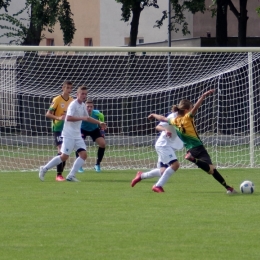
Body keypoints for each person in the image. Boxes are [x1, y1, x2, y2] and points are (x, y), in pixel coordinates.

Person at [148, 89, 237, 194]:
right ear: (186, 110)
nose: (191, 109)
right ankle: (227, 187)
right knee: (212, 170)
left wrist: (153, 115)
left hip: (191, 149)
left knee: (211, 170)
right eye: (190, 108)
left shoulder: (174, 120)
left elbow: (162, 118)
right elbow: (196, 108)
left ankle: (228, 188)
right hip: (198, 147)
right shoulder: (187, 118)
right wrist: (203, 96)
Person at [39, 86, 107, 182]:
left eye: (85, 94)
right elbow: (68, 118)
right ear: (77, 94)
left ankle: (71, 175)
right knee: (64, 156)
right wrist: (81, 118)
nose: (84, 96)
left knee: (83, 155)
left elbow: (87, 118)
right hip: (68, 134)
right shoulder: (73, 105)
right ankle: (44, 168)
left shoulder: (83, 105)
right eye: (82, 94)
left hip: (77, 135)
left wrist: (99, 123)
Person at [131, 106, 183, 193]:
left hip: (170, 146)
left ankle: (141, 175)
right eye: (191, 108)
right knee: (175, 165)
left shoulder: (185, 118)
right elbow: (158, 127)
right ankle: (157, 186)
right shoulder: (173, 117)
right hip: (164, 145)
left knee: (163, 171)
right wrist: (166, 130)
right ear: (186, 109)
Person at [45, 80, 74, 181]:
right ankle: (59, 175)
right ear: (63, 88)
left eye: (70, 88)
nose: (69, 90)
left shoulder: (72, 100)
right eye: (67, 88)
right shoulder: (57, 99)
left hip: (68, 129)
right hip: (58, 128)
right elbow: (48, 114)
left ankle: (60, 174)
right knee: (61, 149)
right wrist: (58, 118)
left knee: (65, 151)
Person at [76, 99, 106, 173]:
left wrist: (102, 130)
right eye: (87, 107)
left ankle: (97, 165)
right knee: (79, 145)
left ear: (93, 107)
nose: (89, 108)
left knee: (102, 144)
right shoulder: (80, 113)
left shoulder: (98, 114)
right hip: (82, 129)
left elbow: (102, 122)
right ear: (84, 107)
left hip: (94, 129)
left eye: (91, 107)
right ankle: (79, 166)